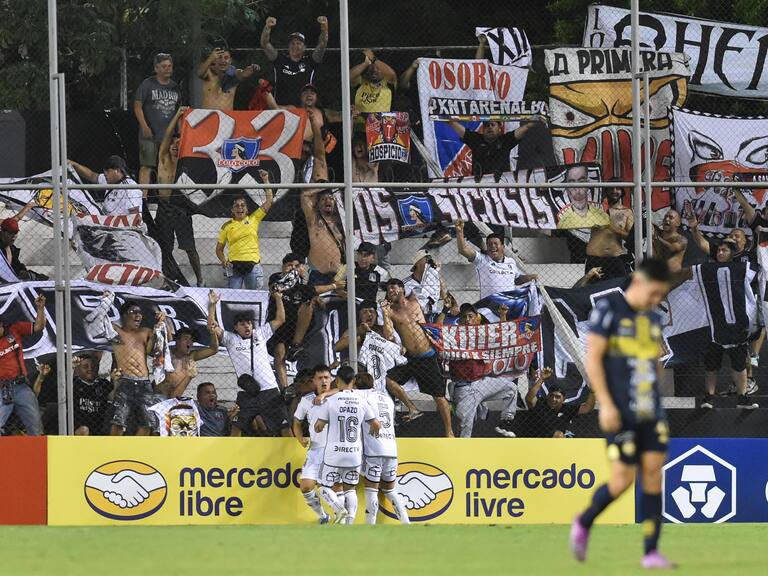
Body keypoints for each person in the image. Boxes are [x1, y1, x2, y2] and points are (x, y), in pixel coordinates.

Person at [570, 258, 675, 569]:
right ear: (639, 282)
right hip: (621, 410)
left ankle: (651, 552)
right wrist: (606, 403)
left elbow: (655, 362)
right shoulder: (609, 309)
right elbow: (594, 359)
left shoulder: (652, 319)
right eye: (655, 293)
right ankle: (584, 522)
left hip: (650, 410)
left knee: (655, 476)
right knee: (623, 480)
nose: (657, 301)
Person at [208, 290, 291, 438]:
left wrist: (278, 298)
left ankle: (293, 459)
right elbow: (212, 326)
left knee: (285, 427)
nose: (247, 327)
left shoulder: (261, 334)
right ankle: (230, 458)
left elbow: (280, 319)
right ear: (235, 327)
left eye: (249, 323)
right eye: (242, 324)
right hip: (248, 393)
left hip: (270, 390)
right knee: (236, 427)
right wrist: (212, 306)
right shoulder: (230, 340)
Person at [384, 278, 454, 437]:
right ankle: (412, 408)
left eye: (394, 288)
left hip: (428, 357)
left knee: (439, 396)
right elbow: (389, 335)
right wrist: (384, 312)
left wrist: (445, 304)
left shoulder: (416, 301)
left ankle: (449, 432)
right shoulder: (391, 312)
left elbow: (435, 290)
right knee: (387, 379)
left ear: (402, 288)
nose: (391, 292)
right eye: (388, 290)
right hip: (411, 359)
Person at [334, 299, 422, 421]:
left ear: (376, 315)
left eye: (372, 312)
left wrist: (401, 348)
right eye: (365, 312)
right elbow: (337, 347)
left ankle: (400, 414)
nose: (369, 314)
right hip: (361, 371)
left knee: (386, 380)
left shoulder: (382, 329)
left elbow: (395, 344)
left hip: (382, 369)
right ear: (359, 315)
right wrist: (359, 335)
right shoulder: (353, 330)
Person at [697, 239, 759, 410]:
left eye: (724, 250)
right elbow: (688, 274)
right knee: (711, 364)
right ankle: (708, 398)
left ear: (732, 253)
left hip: (737, 325)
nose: (720, 253)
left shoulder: (742, 268)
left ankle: (742, 398)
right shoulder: (707, 269)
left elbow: (759, 274)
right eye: (718, 251)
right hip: (715, 325)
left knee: (739, 365)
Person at [314, 365, 380, 525]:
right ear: (353, 380)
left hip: (334, 453)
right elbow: (376, 424)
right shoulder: (362, 401)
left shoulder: (331, 401)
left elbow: (318, 426)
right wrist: (372, 432)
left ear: (337, 380)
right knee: (350, 488)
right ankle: (349, 523)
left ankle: (338, 509)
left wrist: (322, 425)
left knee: (323, 487)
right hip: (354, 453)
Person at [444, 303, 521, 438]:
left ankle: (506, 421)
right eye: (464, 317)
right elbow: (437, 331)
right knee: (465, 428)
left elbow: (502, 336)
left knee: (511, 388)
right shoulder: (453, 336)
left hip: (481, 383)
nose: (467, 319)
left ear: (476, 319)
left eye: (470, 316)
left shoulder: (482, 334)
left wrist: (503, 315)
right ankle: (460, 454)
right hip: (464, 388)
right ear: (460, 321)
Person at [154, 106, 203, 287]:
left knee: (190, 248)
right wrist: (177, 115)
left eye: (179, 143)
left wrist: (187, 123)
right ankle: (167, 279)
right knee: (164, 249)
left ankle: (199, 280)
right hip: (164, 208)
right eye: (173, 143)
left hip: (181, 210)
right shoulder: (164, 161)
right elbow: (166, 138)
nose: (175, 145)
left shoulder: (186, 165)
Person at [356, 372, 410, 525]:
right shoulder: (386, 398)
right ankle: (406, 523)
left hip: (374, 448)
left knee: (371, 490)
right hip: (391, 448)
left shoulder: (361, 396)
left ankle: (370, 525)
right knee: (390, 490)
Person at [108, 299, 166, 436]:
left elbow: (157, 347)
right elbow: (97, 323)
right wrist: (106, 302)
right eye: (133, 312)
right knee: (119, 421)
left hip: (144, 382)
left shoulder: (145, 332)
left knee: (148, 423)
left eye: (140, 313)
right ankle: (111, 450)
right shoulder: (116, 331)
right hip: (124, 381)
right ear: (123, 315)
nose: (138, 316)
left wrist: (162, 323)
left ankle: (137, 452)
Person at [301, 109, 344, 284]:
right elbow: (305, 198)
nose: (328, 201)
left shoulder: (340, 219)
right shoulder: (313, 217)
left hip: (339, 272)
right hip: (318, 273)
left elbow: (319, 151)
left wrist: (315, 125)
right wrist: (322, 188)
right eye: (325, 199)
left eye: (330, 199)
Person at [215, 171, 273, 289]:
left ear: (247, 209)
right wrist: (224, 261)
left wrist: (266, 180)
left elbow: (269, 201)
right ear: (232, 210)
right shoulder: (226, 226)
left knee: (254, 298)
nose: (240, 208)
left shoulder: (254, 219)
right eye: (236, 205)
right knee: (233, 298)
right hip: (234, 268)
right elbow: (219, 249)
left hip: (253, 267)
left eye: (243, 205)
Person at [133, 52, 181, 190]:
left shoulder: (175, 87)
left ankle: (164, 198)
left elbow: (179, 112)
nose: (168, 69)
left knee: (167, 165)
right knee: (146, 166)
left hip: (169, 136)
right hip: (150, 135)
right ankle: (143, 199)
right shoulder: (147, 84)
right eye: (164, 66)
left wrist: (179, 133)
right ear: (156, 68)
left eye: (170, 66)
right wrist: (144, 126)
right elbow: (137, 106)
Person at [0, 294, 46, 436]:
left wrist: (40, 308)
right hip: (1, 388)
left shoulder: (14, 329)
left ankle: (37, 457)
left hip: (21, 387)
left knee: (35, 427)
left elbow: (39, 326)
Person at [292, 364, 333, 524]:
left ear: (331, 379)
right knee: (306, 487)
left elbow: (347, 390)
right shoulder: (306, 400)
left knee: (333, 488)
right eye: (320, 378)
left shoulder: (338, 397)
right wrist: (300, 437)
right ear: (314, 381)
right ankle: (323, 516)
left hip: (334, 451)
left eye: (326, 378)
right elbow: (296, 421)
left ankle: (344, 519)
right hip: (315, 449)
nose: (323, 381)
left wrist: (326, 395)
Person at [456, 219, 537, 299]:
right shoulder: (481, 260)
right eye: (490, 244)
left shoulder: (511, 262)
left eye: (495, 243)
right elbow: (463, 250)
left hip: (508, 305)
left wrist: (529, 277)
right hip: (488, 306)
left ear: (503, 246)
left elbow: (516, 280)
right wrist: (460, 231)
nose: (492, 246)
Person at [261, 16, 328, 106]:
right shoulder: (280, 60)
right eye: (292, 43)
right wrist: (267, 27)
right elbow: (265, 44)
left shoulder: (310, 62)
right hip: (281, 110)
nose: (295, 46)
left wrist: (324, 28)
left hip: (304, 110)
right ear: (288, 46)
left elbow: (322, 44)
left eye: (298, 43)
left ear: (304, 47)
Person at [448, 116, 543, 178]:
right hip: (479, 183)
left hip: (501, 183)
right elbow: (455, 126)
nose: (489, 127)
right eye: (486, 125)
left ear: (499, 128)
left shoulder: (505, 140)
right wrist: (451, 121)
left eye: (492, 125)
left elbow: (525, 128)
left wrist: (533, 122)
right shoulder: (476, 139)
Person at [525, 368, 595, 438]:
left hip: (561, 440)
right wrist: (542, 379)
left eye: (557, 397)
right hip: (540, 439)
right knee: (558, 435)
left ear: (563, 399)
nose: (553, 399)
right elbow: (529, 399)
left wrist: (592, 391)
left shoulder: (567, 408)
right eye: (551, 396)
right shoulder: (541, 404)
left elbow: (587, 408)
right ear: (548, 396)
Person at [585, 181, 634, 279]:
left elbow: (631, 238)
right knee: (592, 290)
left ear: (622, 192)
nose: (614, 191)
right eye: (611, 188)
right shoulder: (594, 210)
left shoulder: (626, 212)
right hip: (594, 258)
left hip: (615, 259)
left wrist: (614, 228)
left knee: (618, 290)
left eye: (618, 188)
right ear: (606, 190)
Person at [156, 325, 219, 400]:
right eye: (186, 338)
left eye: (192, 340)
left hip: (175, 397)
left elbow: (213, 349)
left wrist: (213, 333)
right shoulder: (166, 355)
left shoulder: (191, 356)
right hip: (158, 397)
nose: (190, 342)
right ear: (177, 340)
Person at [69, 156, 143, 216]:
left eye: (108, 171)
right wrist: (74, 165)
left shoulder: (130, 187)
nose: (105, 174)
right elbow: (92, 176)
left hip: (122, 226)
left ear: (117, 170)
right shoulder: (110, 180)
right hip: (107, 222)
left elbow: (135, 215)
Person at [197, 46, 259, 110]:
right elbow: (199, 73)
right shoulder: (208, 72)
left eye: (226, 58)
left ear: (230, 61)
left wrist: (252, 68)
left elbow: (243, 74)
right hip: (208, 117)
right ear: (214, 60)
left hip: (227, 117)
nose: (223, 60)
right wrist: (211, 58)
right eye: (220, 57)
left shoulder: (234, 74)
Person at [71, 354, 119, 436]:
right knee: (84, 430)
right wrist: (72, 367)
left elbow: (114, 397)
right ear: (78, 369)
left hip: (98, 427)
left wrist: (115, 379)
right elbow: (64, 385)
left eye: (93, 366)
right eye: (85, 366)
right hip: (78, 427)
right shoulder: (75, 383)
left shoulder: (102, 383)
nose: (90, 369)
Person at [556, 165, 610, 230]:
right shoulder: (563, 223)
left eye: (581, 181)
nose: (577, 188)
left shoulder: (602, 216)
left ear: (588, 184)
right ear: (567, 188)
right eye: (572, 183)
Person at [351, 49, 397, 123]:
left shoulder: (388, 84)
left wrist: (373, 59)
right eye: (371, 68)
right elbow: (350, 76)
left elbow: (392, 75)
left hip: (382, 127)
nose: (374, 71)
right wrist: (366, 63)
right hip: (361, 127)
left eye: (378, 68)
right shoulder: (361, 83)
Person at [0, 216, 47, 281]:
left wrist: (24, 272)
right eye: (10, 233)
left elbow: (16, 266)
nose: (13, 237)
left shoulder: (12, 249)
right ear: (3, 232)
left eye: (16, 233)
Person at [403, 250, 446, 318]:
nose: (428, 263)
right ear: (417, 263)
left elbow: (444, 295)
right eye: (426, 260)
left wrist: (436, 272)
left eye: (429, 260)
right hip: (416, 317)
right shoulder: (407, 283)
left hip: (433, 316)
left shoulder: (433, 279)